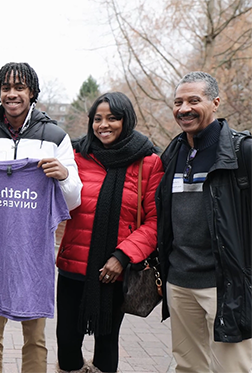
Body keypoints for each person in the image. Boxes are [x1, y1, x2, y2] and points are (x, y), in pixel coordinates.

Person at [0, 62, 83, 373]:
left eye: (19, 88)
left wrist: (64, 175)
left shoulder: (55, 136)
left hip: (32, 253)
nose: (12, 94)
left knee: (36, 338)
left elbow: (73, 198)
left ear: (32, 93)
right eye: (6, 88)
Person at [55, 92, 163, 373]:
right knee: (66, 343)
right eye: (98, 119)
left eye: (113, 118)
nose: (104, 125)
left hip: (114, 270)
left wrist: (122, 256)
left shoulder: (148, 162)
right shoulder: (75, 155)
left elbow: (154, 221)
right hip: (72, 266)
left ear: (126, 121)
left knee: (106, 342)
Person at [156, 71, 252, 373]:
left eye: (193, 100)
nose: (184, 108)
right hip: (179, 282)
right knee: (187, 367)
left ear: (215, 102)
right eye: (178, 102)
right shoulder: (172, 154)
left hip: (225, 284)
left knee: (233, 368)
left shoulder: (242, 151)